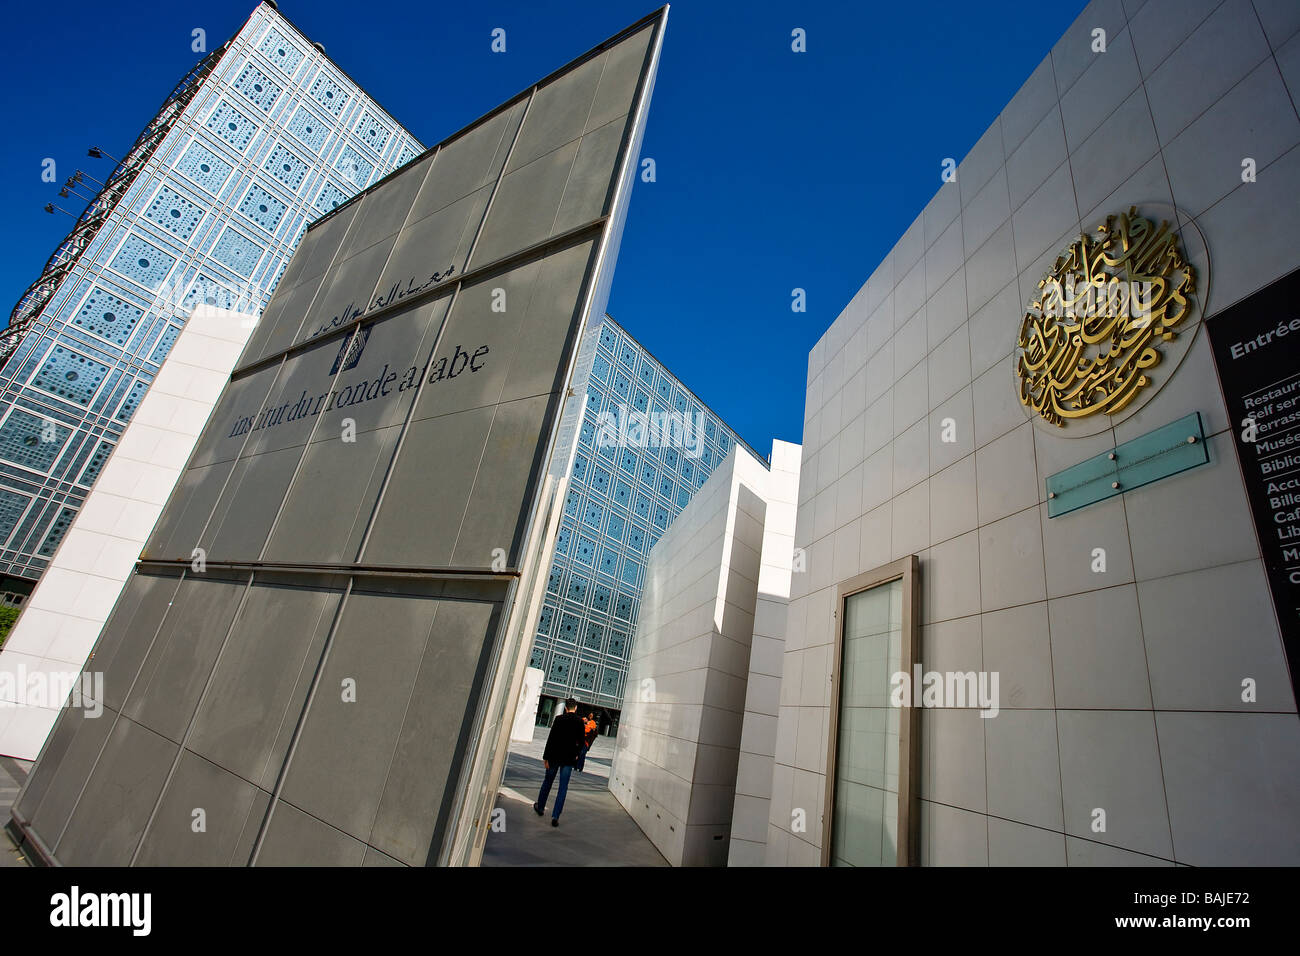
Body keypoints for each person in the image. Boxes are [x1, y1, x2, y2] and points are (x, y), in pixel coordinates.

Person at [534, 698, 585, 827]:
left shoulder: (558, 719)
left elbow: (551, 739)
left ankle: (540, 807)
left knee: (548, 782)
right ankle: (555, 815)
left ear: (566, 708)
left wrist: (546, 757)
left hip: (554, 757)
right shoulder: (580, 722)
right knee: (563, 787)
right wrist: (577, 756)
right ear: (576, 708)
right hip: (568, 760)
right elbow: (581, 742)